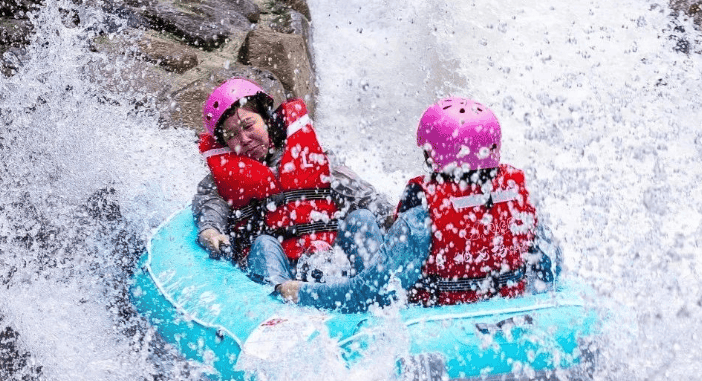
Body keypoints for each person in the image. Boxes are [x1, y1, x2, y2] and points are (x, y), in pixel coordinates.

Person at [276, 98, 559, 312]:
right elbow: (551, 269)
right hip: (505, 308)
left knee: (358, 223)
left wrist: (302, 292)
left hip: (433, 323)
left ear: (432, 155)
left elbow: (368, 292)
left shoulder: (419, 221)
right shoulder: (520, 200)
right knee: (361, 218)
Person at [193, 78, 393, 285]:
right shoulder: (220, 183)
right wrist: (210, 231)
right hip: (282, 276)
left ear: (267, 119)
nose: (244, 139)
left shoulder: (313, 157)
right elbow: (210, 210)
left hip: (334, 264)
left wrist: (395, 219)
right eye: (232, 134)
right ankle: (278, 309)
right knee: (263, 244)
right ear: (224, 143)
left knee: (362, 218)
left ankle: (380, 288)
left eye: (249, 125)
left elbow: (367, 199)